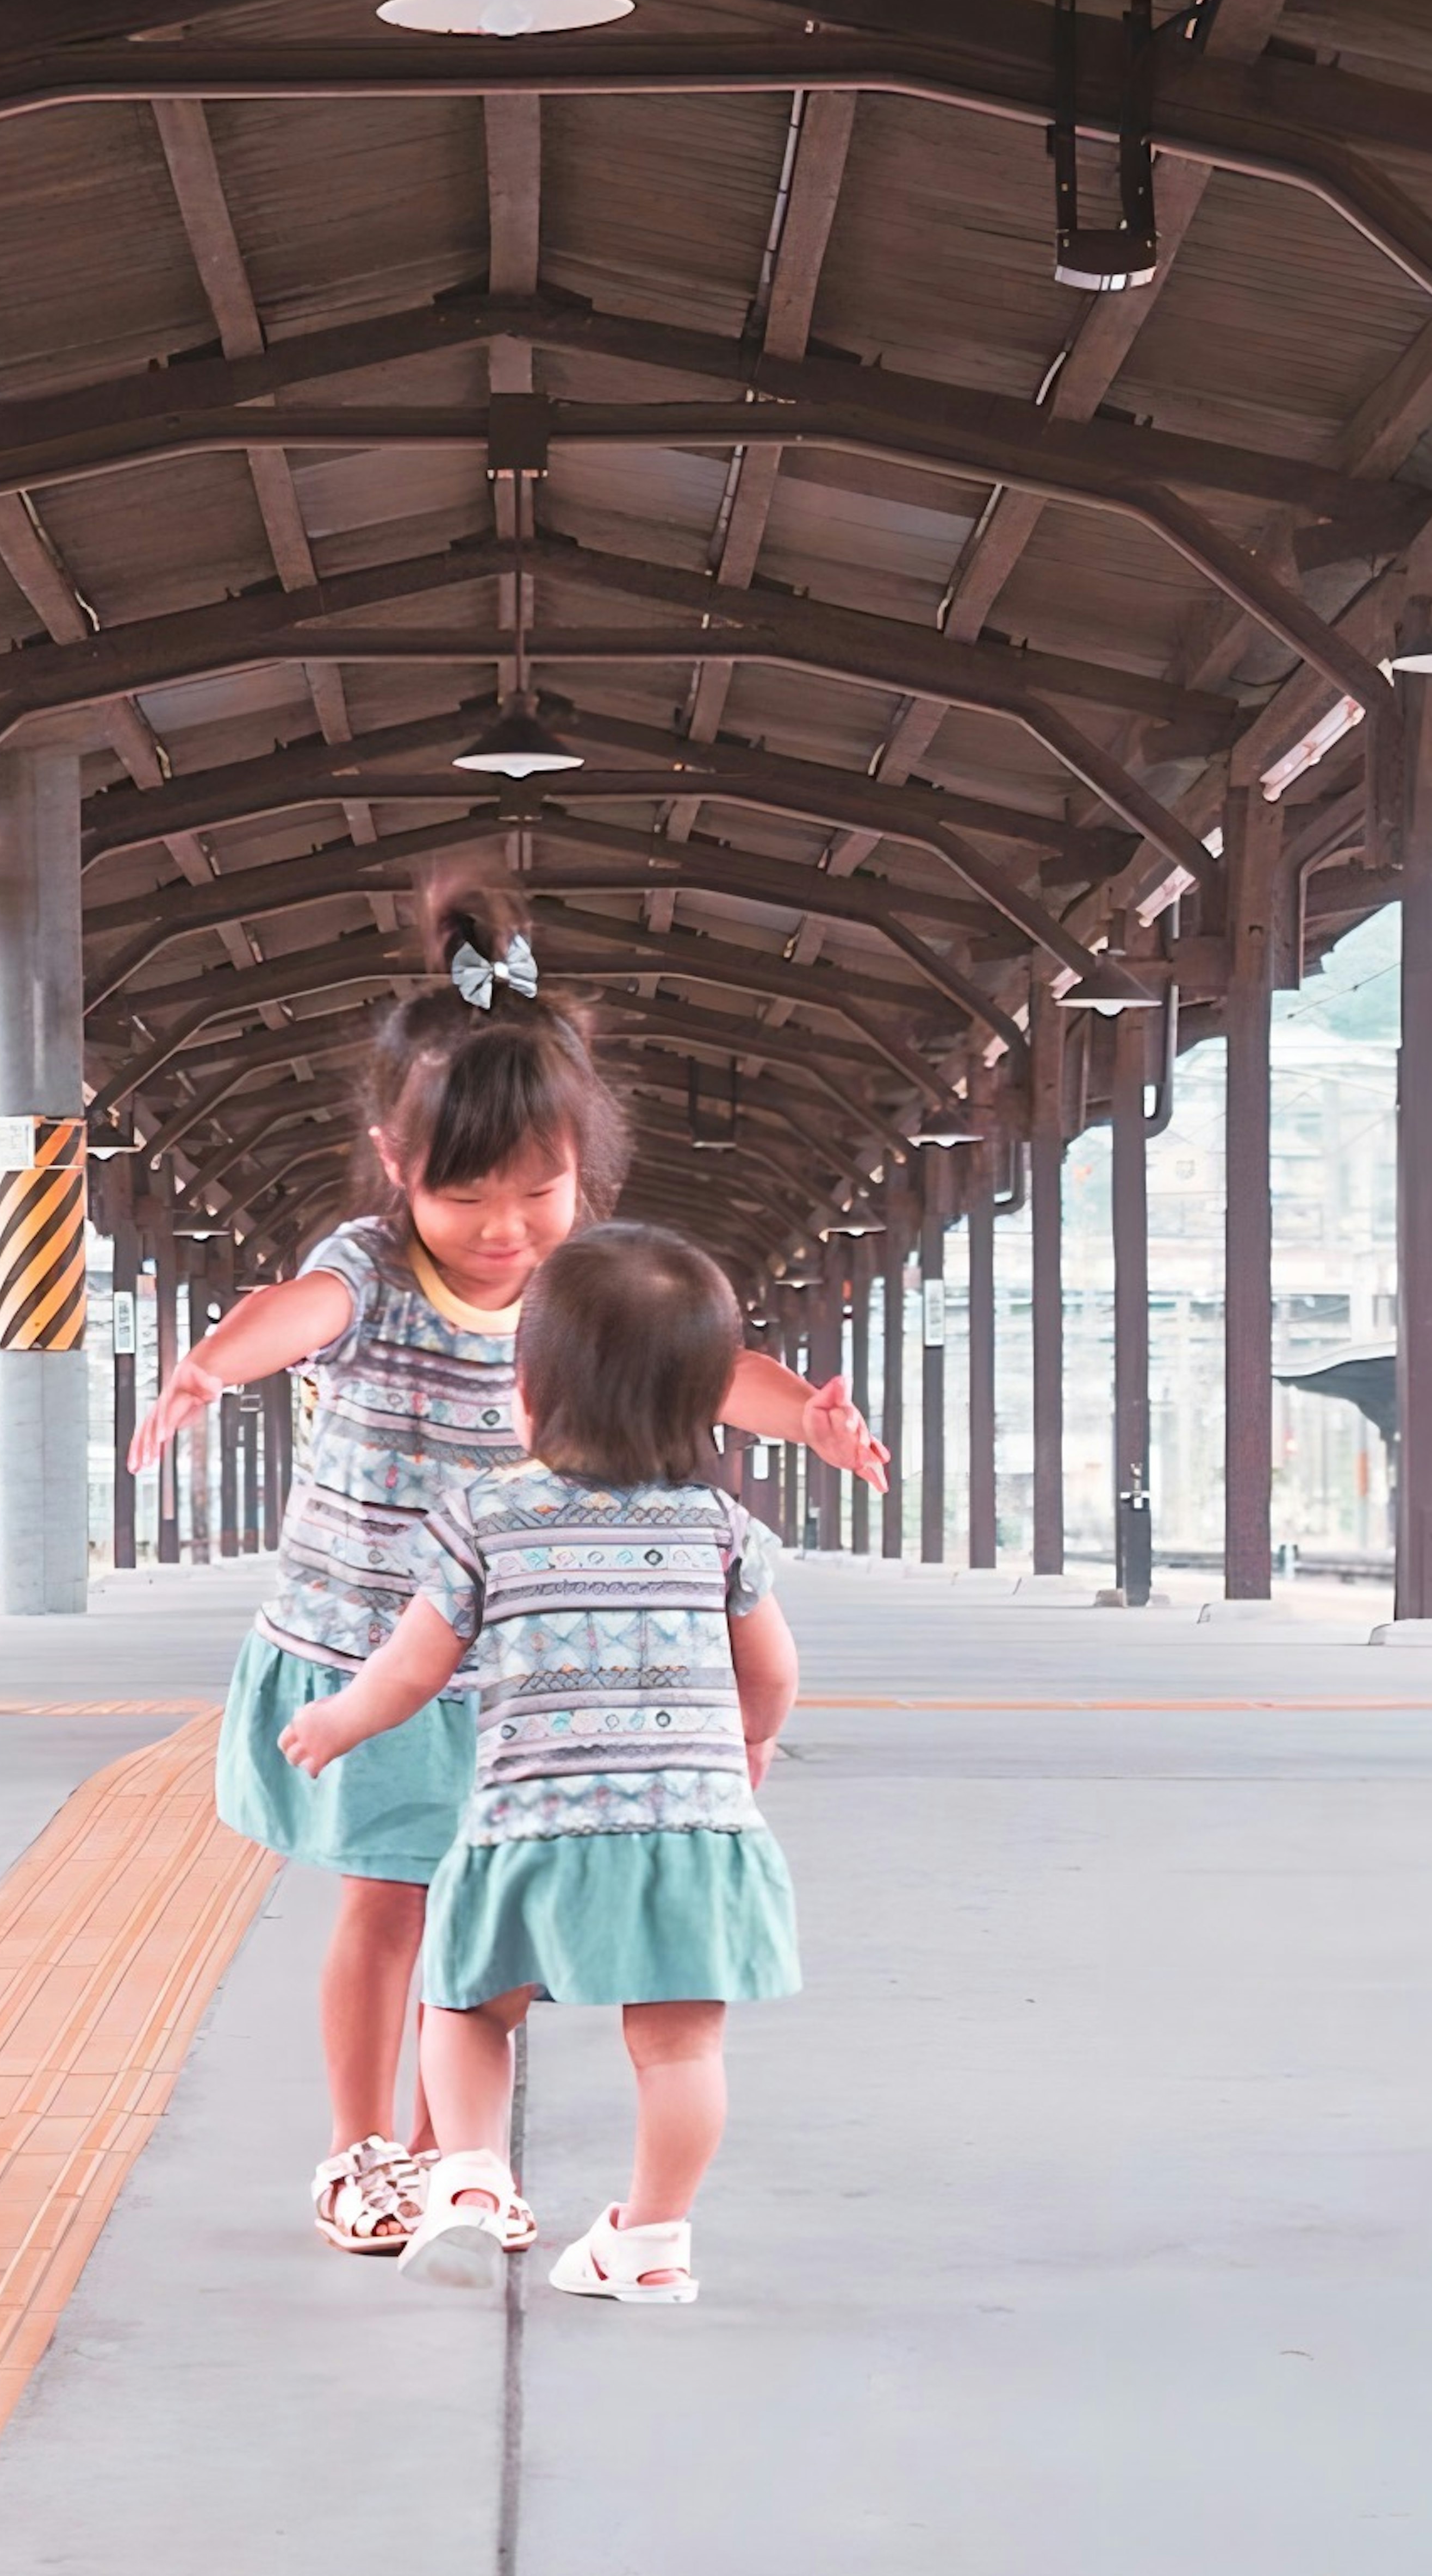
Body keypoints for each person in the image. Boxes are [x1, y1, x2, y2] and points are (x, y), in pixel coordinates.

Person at [131, 880, 885, 2261]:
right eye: (461, 1195)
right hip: (374, 1647)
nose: (500, 1230)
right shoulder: (367, 1265)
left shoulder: (587, 1282)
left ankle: (441, 2158)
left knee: (488, 1932)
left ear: (585, 1177)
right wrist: (208, 1364)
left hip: (526, 1670)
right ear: (391, 1164)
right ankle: (365, 2149)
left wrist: (814, 1423)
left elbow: (709, 1373)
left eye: (536, 1194)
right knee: (387, 1899)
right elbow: (294, 1314)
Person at [279, 1221, 799, 2308]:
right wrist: (747, 1745)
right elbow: (774, 1670)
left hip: (532, 1832)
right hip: (688, 1837)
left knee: (470, 2010)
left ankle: (467, 2183)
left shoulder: (486, 1518)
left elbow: (413, 1669)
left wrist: (339, 1722)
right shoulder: (720, 1530)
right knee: (679, 2052)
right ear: (705, 1403)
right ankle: (653, 2238)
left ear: (531, 1388)